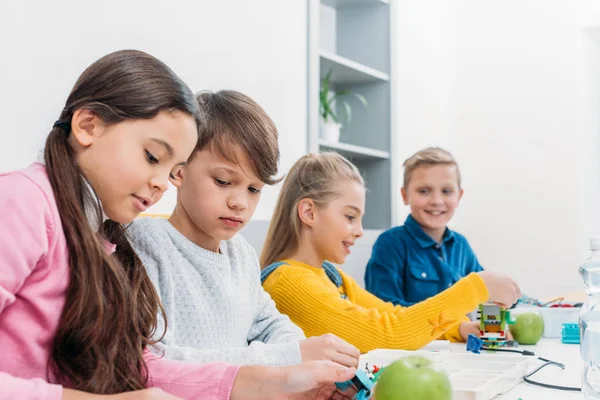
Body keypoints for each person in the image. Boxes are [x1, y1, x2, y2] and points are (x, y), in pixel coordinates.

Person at [0, 50, 354, 400]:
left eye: (170, 168)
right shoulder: (24, 201)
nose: (162, 182)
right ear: (88, 125)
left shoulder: (98, 235)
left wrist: (270, 381)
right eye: (152, 157)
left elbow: (135, 365)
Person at [127, 90, 359, 367]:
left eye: (253, 189)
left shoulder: (241, 254)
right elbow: (157, 359)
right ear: (179, 170)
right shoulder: (143, 245)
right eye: (223, 181)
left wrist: (304, 350)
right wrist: (289, 355)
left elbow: (270, 324)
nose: (240, 203)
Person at [260, 152, 521, 353]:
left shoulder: (331, 276)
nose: (360, 231)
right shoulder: (288, 283)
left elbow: (392, 313)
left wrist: (458, 328)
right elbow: (388, 334)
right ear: (309, 213)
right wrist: (477, 287)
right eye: (350, 216)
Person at [365, 147, 484, 306]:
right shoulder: (390, 244)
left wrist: (499, 327)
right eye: (424, 191)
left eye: (446, 191)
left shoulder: (461, 246)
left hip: (463, 331)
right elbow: (384, 309)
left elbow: (486, 294)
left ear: (459, 196)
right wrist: (453, 323)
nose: (436, 200)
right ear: (405, 195)